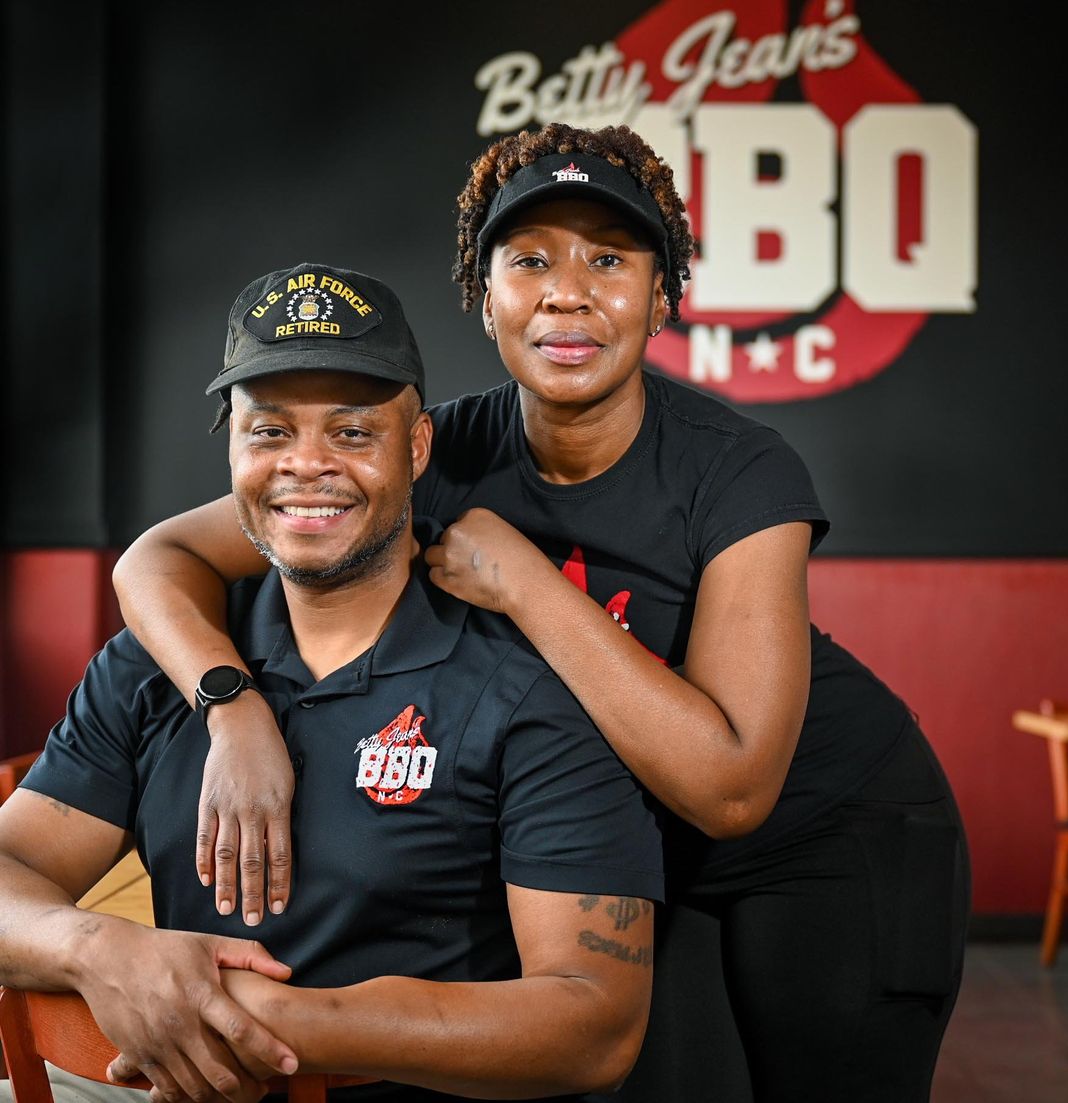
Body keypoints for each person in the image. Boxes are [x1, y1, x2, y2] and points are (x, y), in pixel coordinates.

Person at [112, 125, 970, 1102]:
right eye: (529, 260)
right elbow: (156, 559)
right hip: (642, 851)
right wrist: (233, 708)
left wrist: (526, 582)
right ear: (486, 297)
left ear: (661, 294)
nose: (567, 290)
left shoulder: (739, 472)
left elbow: (733, 789)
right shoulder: (439, 453)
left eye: (609, 258)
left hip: (837, 837)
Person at [0, 262, 663, 1103]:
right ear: (233, 446)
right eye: (269, 432)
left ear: (417, 448)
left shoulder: (526, 687)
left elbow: (596, 1018)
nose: (306, 465)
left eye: (352, 433)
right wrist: (98, 948)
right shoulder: (157, 665)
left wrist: (264, 1025)